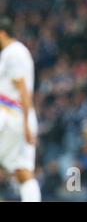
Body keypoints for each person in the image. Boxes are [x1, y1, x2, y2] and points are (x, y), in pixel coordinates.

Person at [0, 17, 41, 201]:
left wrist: (26, 124)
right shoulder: (17, 52)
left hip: (12, 115)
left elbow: (23, 89)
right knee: (23, 170)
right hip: (20, 115)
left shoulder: (12, 53)